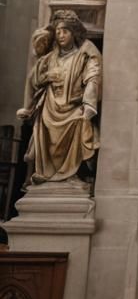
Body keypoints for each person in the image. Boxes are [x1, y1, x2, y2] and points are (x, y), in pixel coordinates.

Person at [17, 10, 101, 184]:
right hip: (50, 107)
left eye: (66, 31)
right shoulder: (49, 58)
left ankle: (71, 174)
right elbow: (34, 79)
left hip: (73, 108)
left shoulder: (82, 56)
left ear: (74, 33)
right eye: (58, 32)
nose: (61, 35)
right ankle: (46, 175)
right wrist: (46, 77)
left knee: (81, 125)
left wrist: (89, 104)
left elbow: (93, 76)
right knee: (43, 132)